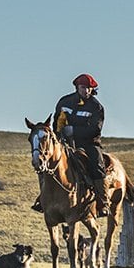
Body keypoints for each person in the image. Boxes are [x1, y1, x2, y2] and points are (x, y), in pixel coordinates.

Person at [34, 73, 107, 215]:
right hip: (65, 142)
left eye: (88, 88)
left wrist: (74, 130)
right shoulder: (65, 102)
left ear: (92, 89)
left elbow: (95, 129)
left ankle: (102, 201)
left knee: (97, 164)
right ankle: (43, 199)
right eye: (82, 87)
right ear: (77, 87)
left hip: (88, 143)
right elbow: (57, 122)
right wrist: (61, 132)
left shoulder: (96, 107)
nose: (85, 91)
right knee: (46, 163)